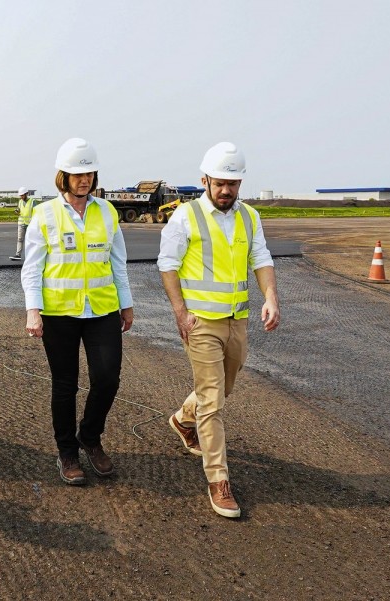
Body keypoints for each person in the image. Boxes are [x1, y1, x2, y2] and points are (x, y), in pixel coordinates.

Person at [157, 142, 280, 519]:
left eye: (234, 183)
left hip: (237, 321)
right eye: (220, 183)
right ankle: (219, 481)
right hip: (201, 323)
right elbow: (167, 263)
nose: (226, 190)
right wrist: (180, 313)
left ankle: (182, 418)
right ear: (205, 180)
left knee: (223, 388)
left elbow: (260, 257)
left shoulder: (249, 217)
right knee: (213, 401)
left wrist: (271, 297)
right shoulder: (186, 217)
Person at [21, 138, 134, 486]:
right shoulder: (45, 214)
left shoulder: (107, 211)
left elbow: (118, 262)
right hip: (59, 314)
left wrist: (126, 303)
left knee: (107, 379)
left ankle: (90, 435)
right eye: (76, 173)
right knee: (64, 385)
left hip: (101, 310)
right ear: (63, 176)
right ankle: (67, 452)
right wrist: (32, 310)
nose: (84, 179)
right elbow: (32, 267)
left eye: (89, 173)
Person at [9, 186, 35, 261]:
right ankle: (18, 255)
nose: (22, 197)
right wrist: (17, 211)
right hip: (21, 223)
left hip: (30, 224)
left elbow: (37, 212)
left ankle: (31, 256)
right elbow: (19, 209)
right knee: (20, 239)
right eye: (21, 195)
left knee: (30, 240)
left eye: (23, 195)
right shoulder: (20, 202)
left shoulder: (33, 201)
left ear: (27, 194)